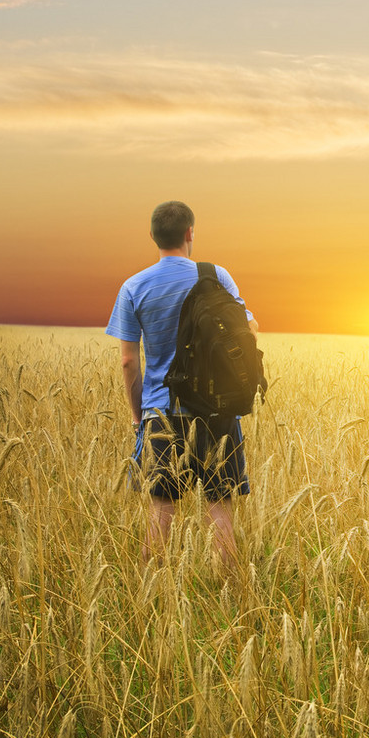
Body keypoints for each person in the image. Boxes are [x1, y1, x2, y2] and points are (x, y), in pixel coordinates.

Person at [105, 200, 258, 566]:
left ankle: (148, 597)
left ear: (153, 236)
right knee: (220, 507)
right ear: (190, 233)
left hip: (161, 409)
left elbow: (129, 362)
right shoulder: (216, 276)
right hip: (216, 408)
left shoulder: (133, 287)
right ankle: (232, 595)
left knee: (161, 509)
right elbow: (250, 329)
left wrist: (138, 417)